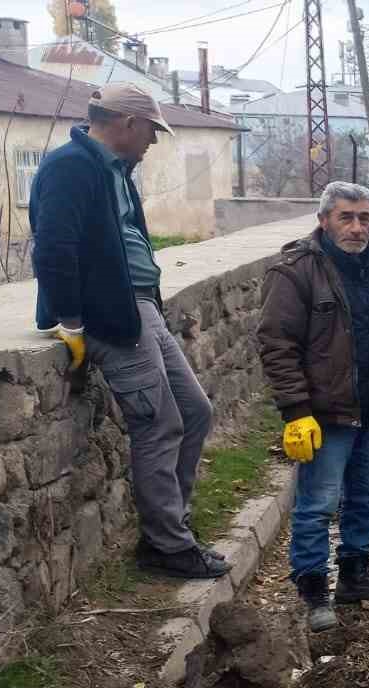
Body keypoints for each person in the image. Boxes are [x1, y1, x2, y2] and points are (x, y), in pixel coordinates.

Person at [30, 83, 229, 580]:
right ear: (126, 123)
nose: (154, 142)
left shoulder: (114, 170)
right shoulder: (70, 167)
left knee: (194, 412)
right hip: (111, 319)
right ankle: (167, 546)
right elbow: (54, 248)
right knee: (159, 424)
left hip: (140, 311)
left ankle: (171, 527)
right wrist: (72, 323)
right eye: (151, 132)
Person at [256, 181, 369, 632]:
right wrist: (296, 412)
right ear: (324, 220)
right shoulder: (295, 272)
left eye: (364, 218)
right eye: (346, 218)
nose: (356, 228)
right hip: (325, 411)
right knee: (318, 502)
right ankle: (313, 588)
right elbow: (277, 345)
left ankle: (356, 573)